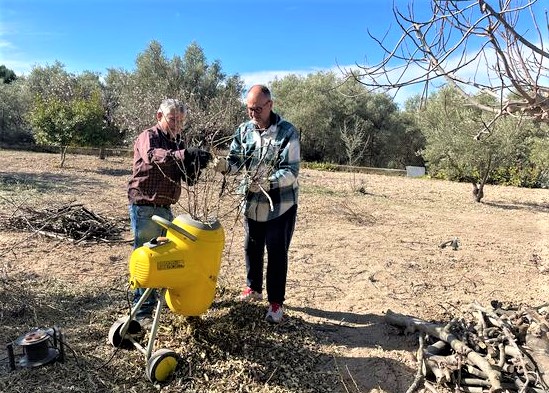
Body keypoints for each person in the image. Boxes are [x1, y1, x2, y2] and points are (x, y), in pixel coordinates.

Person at [215, 85, 300, 323]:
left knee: (276, 252)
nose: (254, 114)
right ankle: (253, 288)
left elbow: (291, 171)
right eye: (250, 109)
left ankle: (275, 303)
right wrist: (224, 166)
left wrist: (266, 183)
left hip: (280, 204)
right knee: (251, 246)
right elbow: (235, 161)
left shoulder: (287, 132)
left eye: (258, 109)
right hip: (252, 202)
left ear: (270, 105)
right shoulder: (243, 131)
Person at [128, 98, 211, 320]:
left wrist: (194, 166)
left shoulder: (178, 141)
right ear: (159, 116)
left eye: (180, 120)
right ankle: (142, 312)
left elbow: (183, 173)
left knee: (164, 258)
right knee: (146, 257)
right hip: (145, 206)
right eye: (172, 119)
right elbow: (153, 156)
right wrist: (185, 154)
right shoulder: (149, 136)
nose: (176, 124)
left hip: (165, 208)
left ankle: (158, 303)